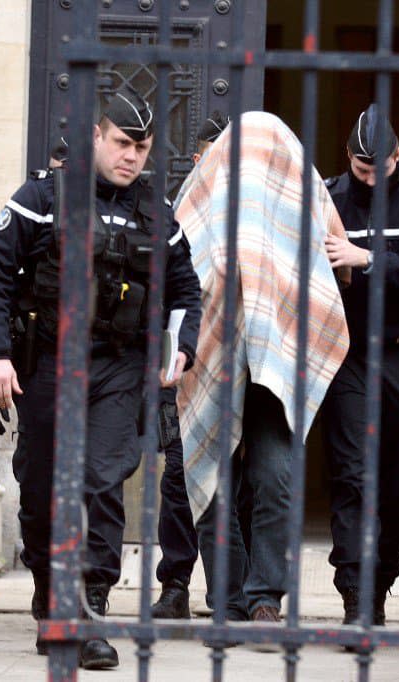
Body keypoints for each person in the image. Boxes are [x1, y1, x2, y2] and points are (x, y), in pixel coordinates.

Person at [0, 89, 202, 670]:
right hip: (48, 363)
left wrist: (182, 348)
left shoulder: (157, 211)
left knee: (99, 482)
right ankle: (52, 595)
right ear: (96, 137)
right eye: (123, 143)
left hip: (120, 367)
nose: (132, 157)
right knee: (44, 487)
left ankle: (86, 610)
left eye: (142, 148)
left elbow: (184, 291)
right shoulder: (43, 198)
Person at [175, 111, 350, 636]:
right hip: (212, 357)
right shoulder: (206, 186)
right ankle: (227, 598)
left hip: (276, 360)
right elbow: (178, 260)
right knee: (211, 474)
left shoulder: (298, 190)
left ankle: (266, 596)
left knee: (275, 477)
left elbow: (332, 261)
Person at [322, 103, 399, 628]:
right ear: (348, 158)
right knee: (351, 476)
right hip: (347, 353)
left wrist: (366, 259)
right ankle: (355, 596)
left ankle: (379, 584)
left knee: (398, 483)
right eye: (360, 170)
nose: (370, 180)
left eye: (380, 169)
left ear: (398, 155)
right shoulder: (325, 199)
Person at [150, 110, 233, 620]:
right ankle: (175, 585)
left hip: (236, 364)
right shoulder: (178, 207)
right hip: (185, 359)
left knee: (233, 482)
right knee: (178, 477)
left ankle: (230, 593)